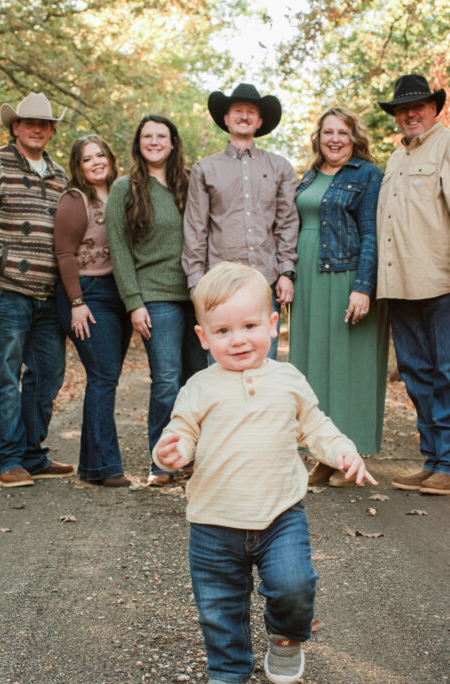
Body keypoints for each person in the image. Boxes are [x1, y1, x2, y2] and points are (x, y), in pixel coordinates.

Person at [154, 262, 377, 684]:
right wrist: (171, 453)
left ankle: (287, 638)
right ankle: (228, 670)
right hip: (213, 521)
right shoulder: (199, 387)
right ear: (203, 336)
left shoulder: (288, 379)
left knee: (294, 586)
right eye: (222, 331)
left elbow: (316, 426)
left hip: (280, 514)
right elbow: (180, 434)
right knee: (219, 608)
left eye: (250, 325)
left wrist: (343, 449)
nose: (238, 340)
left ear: (272, 325)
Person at [376, 74, 450, 495]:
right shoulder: (395, 160)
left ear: (433, 108)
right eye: (402, 109)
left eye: (418, 106)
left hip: (446, 281)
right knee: (415, 373)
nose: (410, 114)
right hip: (402, 282)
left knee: (448, 371)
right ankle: (432, 459)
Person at [0, 92, 75, 488]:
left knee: (48, 375)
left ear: (52, 130)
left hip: (47, 293)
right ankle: (6, 460)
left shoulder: (60, 176)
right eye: (29, 123)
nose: (37, 129)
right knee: (5, 375)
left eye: (44, 124)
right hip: (3, 290)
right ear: (16, 127)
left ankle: (32, 455)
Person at [289, 106, 388, 488]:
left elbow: (371, 232)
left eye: (342, 133)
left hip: (345, 274)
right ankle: (325, 455)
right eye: (327, 132)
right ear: (319, 138)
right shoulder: (310, 175)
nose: (334, 139)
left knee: (350, 367)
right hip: (310, 278)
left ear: (353, 138)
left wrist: (363, 287)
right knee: (315, 367)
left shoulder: (368, 174)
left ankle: (351, 456)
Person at [106, 114, 206, 487]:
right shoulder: (125, 188)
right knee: (165, 381)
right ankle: (163, 462)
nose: (154, 141)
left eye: (161, 135)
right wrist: (134, 302)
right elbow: (119, 248)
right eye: (147, 136)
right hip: (155, 297)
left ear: (173, 142)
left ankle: (193, 456)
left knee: (197, 381)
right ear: (138, 143)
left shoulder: (191, 183)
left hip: (197, 296)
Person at [182, 83, 299, 359]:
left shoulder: (279, 167)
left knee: (262, 363)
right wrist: (196, 282)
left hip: (265, 281)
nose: (244, 116)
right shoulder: (205, 169)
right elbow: (196, 228)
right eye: (237, 111)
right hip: (220, 284)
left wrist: (286, 272)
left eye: (250, 112)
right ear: (226, 119)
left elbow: (286, 224)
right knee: (221, 365)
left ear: (259, 121)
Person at [54, 135, 132, 487]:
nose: (97, 162)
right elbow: (65, 255)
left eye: (101, 155)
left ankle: (90, 466)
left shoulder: (122, 196)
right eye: (88, 159)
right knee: (103, 376)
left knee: (107, 376)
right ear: (78, 166)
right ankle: (106, 468)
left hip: (119, 292)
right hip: (86, 293)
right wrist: (76, 303)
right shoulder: (75, 200)